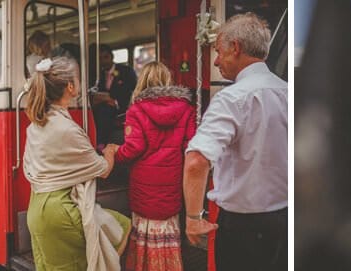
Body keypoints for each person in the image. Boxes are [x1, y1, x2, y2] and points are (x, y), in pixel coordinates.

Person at [181, 13, 287, 271]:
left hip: (243, 229)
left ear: (236, 48)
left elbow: (196, 161)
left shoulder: (231, 98)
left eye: (218, 52)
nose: (216, 62)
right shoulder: (288, 92)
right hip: (286, 221)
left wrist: (193, 218)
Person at [22, 57, 130, 271]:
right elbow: (103, 170)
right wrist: (110, 150)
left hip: (36, 209)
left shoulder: (36, 124)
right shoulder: (67, 129)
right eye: (79, 78)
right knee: (124, 227)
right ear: (70, 86)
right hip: (61, 210)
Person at [114, 62, 196, 271]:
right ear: (168, 80)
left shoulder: (136, 109)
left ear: (142, 81)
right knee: (169, 227)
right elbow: (190, 146)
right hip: (172, 180)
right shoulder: (186, 109)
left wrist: (115, 154)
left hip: (144, 183)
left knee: (144, 231)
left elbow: (133, 148)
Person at [90, 43, 138, 146]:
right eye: (100, 58)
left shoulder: (126, 71)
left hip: (122, 107)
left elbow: (133, 90)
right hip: (105, 105)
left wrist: (115, 102)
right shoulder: (99, 75)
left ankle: (101, 143)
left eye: (106, 57)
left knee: (104, 111)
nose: (103, 61)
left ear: (112, 57)